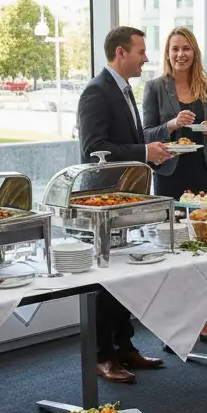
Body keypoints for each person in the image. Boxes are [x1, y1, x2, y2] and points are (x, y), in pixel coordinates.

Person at [76, 26, 172, 383]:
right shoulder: (95, 92)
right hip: (102, 200)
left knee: (124, 276)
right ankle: (102, 356)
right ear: (120, 53)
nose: (146, 58)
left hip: (125, 197)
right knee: (104, 282)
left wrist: (152, 151)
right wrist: (144, 152)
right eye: (141, 52)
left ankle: (124, 347)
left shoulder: (124, 90)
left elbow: (129, 140)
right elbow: (93, 149)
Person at [142, 27, 207, 345]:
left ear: (194, 52)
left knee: (203, 248)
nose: (180, 54)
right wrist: (173, 125)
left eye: (186, 48)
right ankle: (172, 320)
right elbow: (146, 133)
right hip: (169, 175)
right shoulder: (154, 87)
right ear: (167, 53)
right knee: (173, 248)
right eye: (175, 49)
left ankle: (201, 318)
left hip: (201, 173)